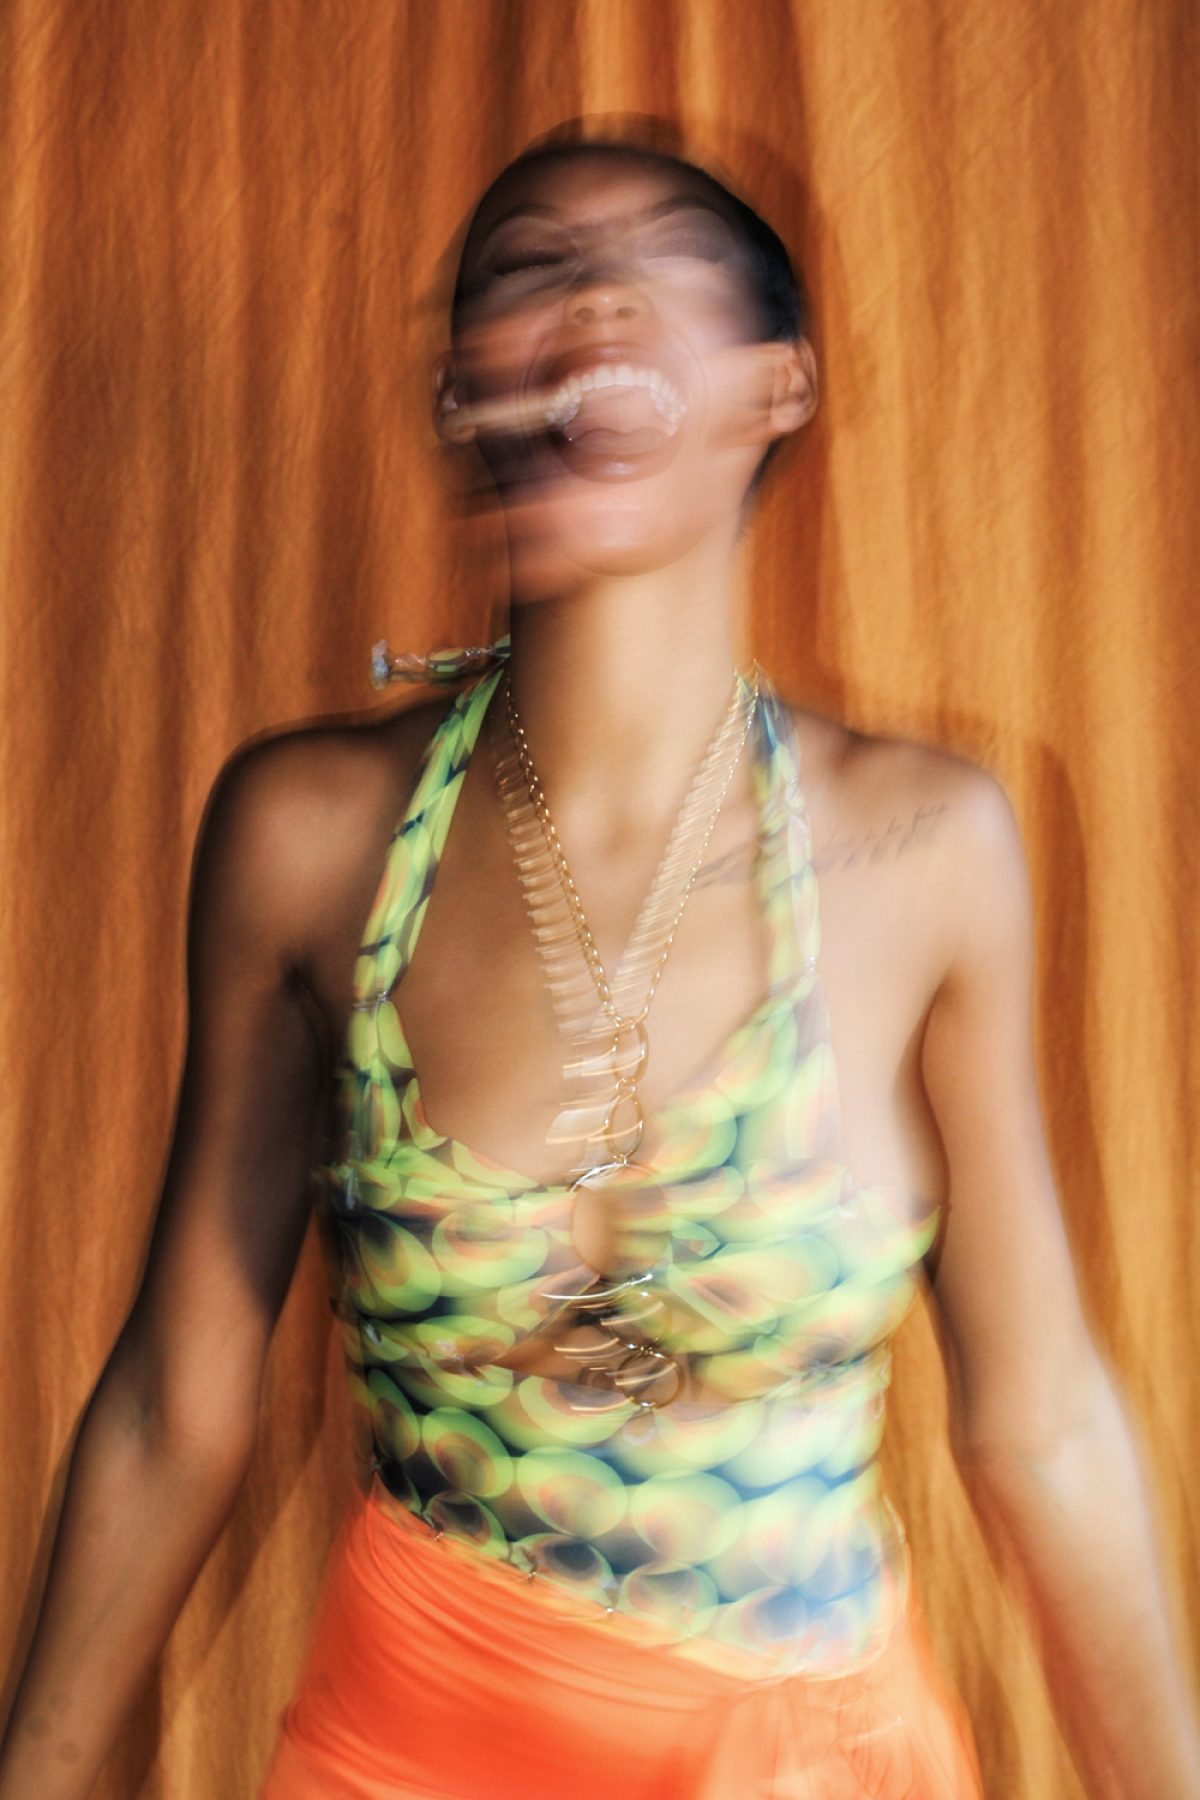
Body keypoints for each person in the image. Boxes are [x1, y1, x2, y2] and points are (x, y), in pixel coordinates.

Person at [2, 121, 1198, 1800]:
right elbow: (171, 1409)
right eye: (529, 271)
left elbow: (1043, 1421)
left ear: (778, 385)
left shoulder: (926, 848)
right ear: (460, 397)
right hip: (402, 1756)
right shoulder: (310, 839)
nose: (595, 298)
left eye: (664, 263)